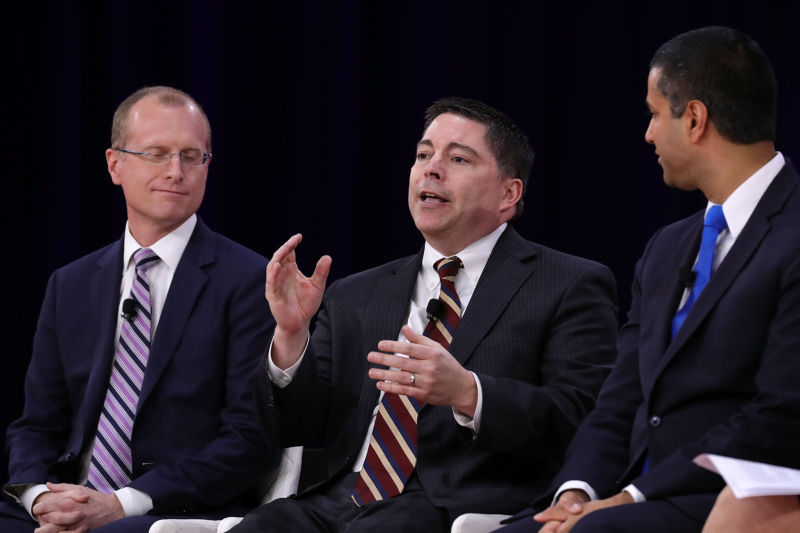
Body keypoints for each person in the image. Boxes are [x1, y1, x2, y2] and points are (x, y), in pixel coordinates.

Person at [228, 97, 619, 533]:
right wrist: (290, 336)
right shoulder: (355, 293)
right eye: (423, 154)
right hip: (338, 500)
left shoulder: (567, 283)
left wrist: (469, 392)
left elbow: (582, 417)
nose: (431, 169)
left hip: (452, 507)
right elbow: (294, 427)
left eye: (457, 158)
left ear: (509, 194)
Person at [495, 26, 800, 533]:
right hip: (632, 498)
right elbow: (621, 398)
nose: (648, 133)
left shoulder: (793, 235)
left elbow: (781, 414)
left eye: (656, 114)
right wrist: (578, 491)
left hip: (731, 503)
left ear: (695, 119)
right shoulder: (666, 248)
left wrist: (633, 496)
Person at [1, 86, 278, 533]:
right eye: (156, 153)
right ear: (115, 164)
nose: (175, 171)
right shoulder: (69, 284)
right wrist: (39, 499)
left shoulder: (250, 282)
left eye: (192, 156)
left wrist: (119, 505)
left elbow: (249, 441)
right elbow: (36, 426)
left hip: (170, 510)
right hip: (66, 502)